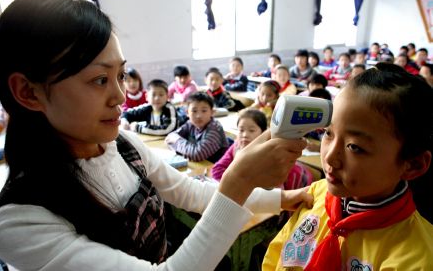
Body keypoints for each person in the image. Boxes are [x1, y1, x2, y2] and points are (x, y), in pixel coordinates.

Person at [0, 0, 313, 271]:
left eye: (121, 75)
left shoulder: (121, 145)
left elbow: (190, 192)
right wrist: (239, 181)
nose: (119, 96)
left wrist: (283, 198)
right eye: (100, 80)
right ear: (29, 93)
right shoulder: (20, 223)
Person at [262, 63, 433, 270]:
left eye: (355, 147)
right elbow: (275, 258)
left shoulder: (415, 258)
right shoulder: (315, 194)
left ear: (412, 165)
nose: (331, 158)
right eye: (328, 133)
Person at [212, 109, 313, 190]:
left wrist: (236, 183)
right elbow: (216, 170)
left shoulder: (271, 155)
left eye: (251, 130)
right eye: (241, 130)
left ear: (263, 133)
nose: (245, 135)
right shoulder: (237, 146)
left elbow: (273, 190)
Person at [165, 92, 229, 162]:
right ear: (187, 113)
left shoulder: (215, 128)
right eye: (194, 111)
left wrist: (177, 141)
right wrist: (186, 150)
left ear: (212, 112)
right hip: (199, 165)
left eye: (204, 111)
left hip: (214, 168)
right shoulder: (190, 123)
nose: (199, 116)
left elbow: (197, 155)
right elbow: (170, 137)